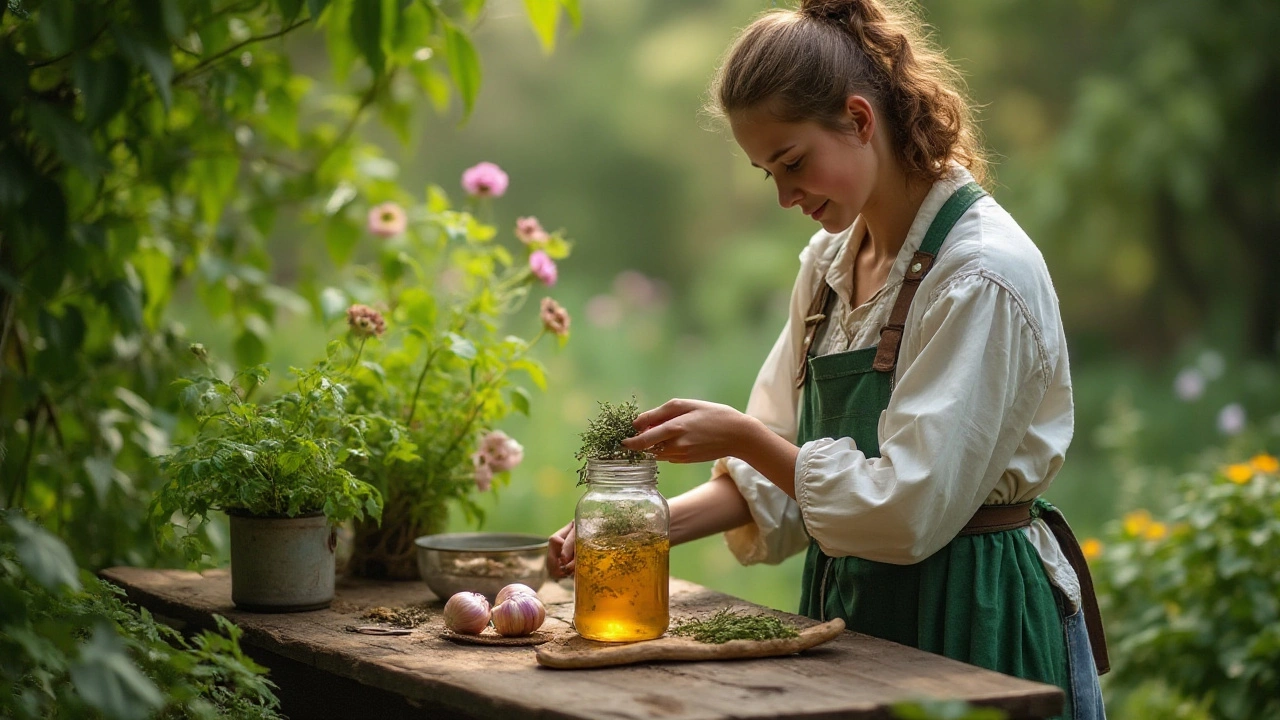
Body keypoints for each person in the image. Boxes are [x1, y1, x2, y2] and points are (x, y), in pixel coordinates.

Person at [547, 1, 1107, 717]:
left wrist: (743, 436)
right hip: (853, 622)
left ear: (860, 120)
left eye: (793, 162)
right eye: (765, 173)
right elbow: (782, 480)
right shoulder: (829, 268)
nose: (784, 195)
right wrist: (637, 523)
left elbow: (907, 510)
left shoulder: (980, 276)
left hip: (973, 617)